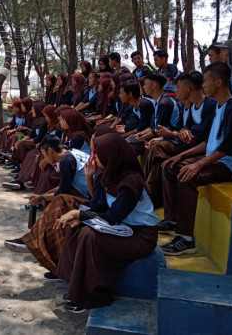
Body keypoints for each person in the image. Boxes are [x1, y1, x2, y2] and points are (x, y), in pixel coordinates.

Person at [54, 132, 158, 312]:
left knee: (89, 235)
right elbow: (97, 205)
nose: (93, 157)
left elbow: (113, 216)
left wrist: (80, 215)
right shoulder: (107, 174)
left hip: (141, 235)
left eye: (97, 154)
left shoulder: (131, 182)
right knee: (76, 226)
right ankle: (73, 283)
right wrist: (90, 178)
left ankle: (92, 295)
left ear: (110, 155)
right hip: (122, 228)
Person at [159, 62, 232, 255]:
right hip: (216, 159)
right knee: (170, 167)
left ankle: (186, 239)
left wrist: (198, 164)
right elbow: (209, 143)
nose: (204, 86)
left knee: (188, 176)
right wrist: (181, 156)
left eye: (207, 81)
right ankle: (174, 218)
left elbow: (228, 147)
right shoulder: (220, 106)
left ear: (218, 82)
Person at [3, 135, 91, 275]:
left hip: (91, 200)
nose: (45, 158)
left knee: (58, 203)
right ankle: (36, 242)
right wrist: (44, 195)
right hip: (87, 195)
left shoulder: (66, 161)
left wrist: (42, 198)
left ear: (50, 150)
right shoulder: (70, 154)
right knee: (55, 204)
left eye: (44, 154)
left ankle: (33, 239)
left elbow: (63, 191)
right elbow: (63, 186)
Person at [143, 71, 217, 208]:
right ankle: (149, 191)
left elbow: (201, 136)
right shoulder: (190, 107)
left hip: (201, 150)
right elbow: (184, 128)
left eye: (178, 87)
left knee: (164, 156)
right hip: (187, 146)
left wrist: (174, 135)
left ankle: (152, 195)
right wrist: (181, 132)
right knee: (157, 150)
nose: (175, 91)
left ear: (188, 88)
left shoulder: (210, 105)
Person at [131, 72, 180, 154]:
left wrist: (141, 138)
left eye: (145, 84)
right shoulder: (158, 102)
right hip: (162, 137)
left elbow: (158, 129)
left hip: (171, 139)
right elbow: (152, 127)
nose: (143, 87)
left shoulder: (165, 103)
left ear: (154, 85)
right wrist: (139, 135)